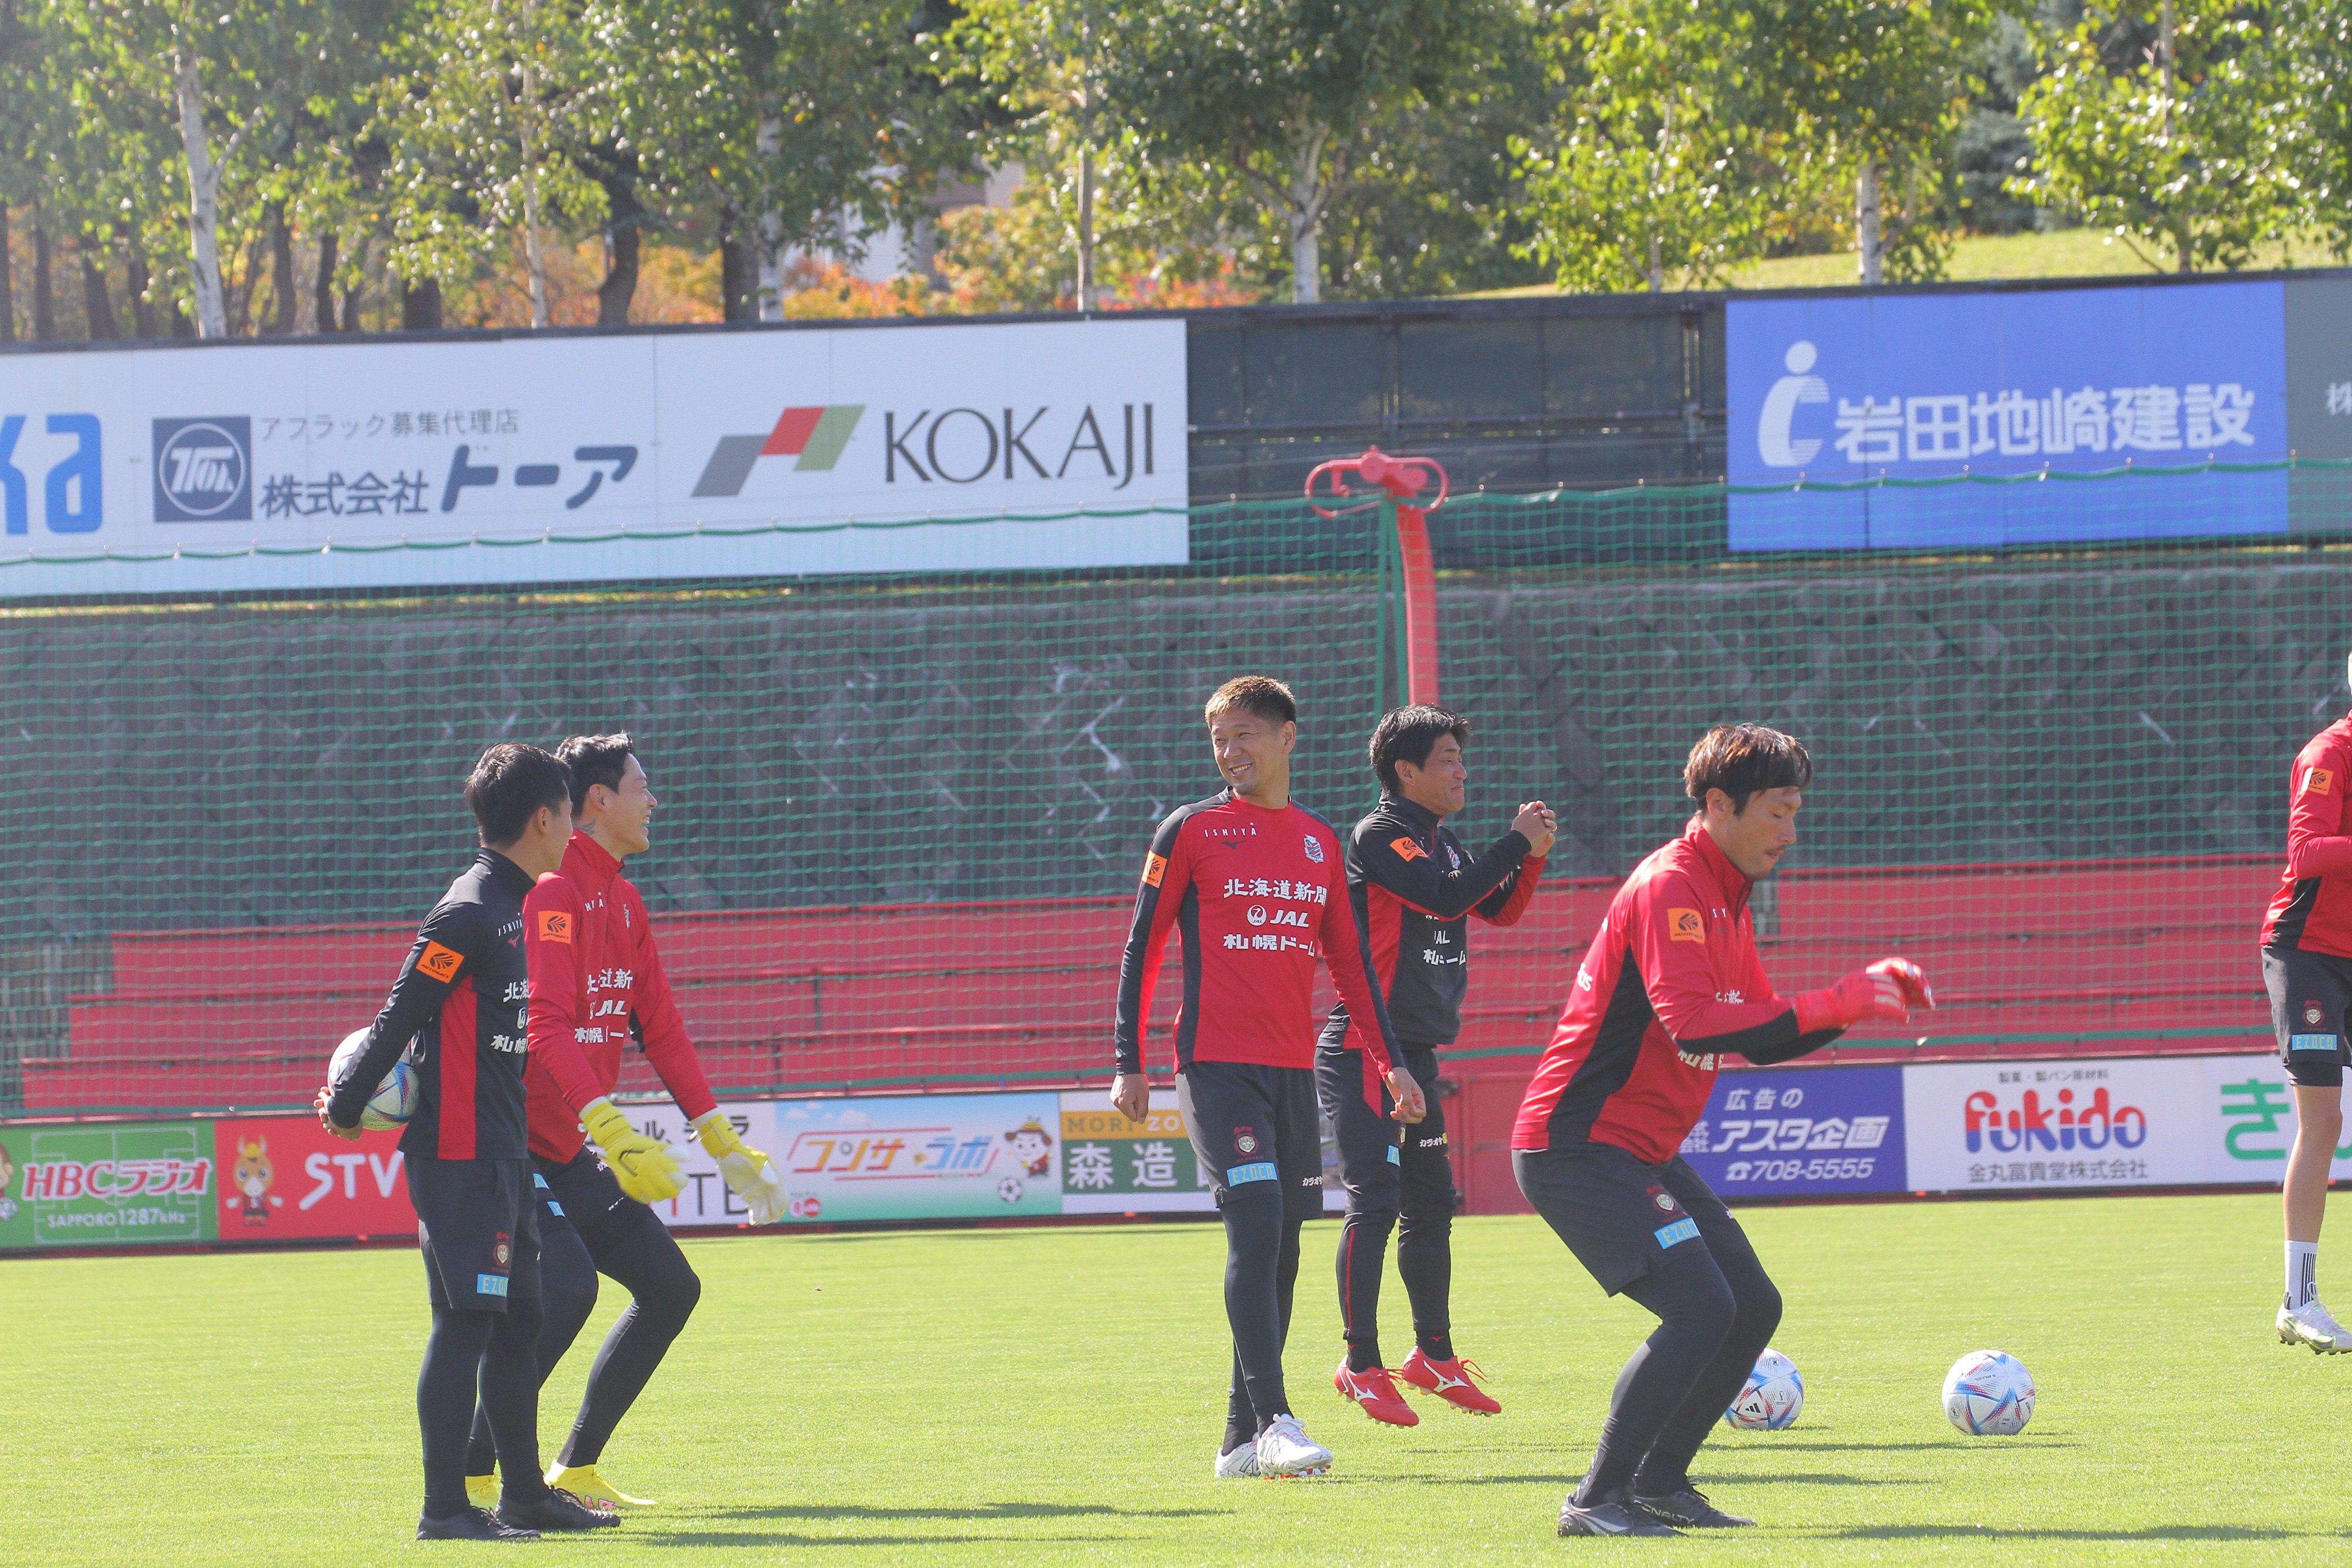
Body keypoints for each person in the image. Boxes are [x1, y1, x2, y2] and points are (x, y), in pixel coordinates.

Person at [1511, 724, 1932, 1536]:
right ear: (1717, 804)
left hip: (1636, 1149)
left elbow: (1760, 1033)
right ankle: (1595, 1499)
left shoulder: (1727, 897)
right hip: (1575, 1144)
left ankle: (1659, 1482)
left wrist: (1854, 1002)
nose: (1790, 830)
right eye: (1777, 810)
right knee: (1701, 1305)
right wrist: (1837, 1000)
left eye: (1795, 810)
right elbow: (1692, 1021)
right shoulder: (1672, 884)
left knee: (1750, 1305)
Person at [1111, 675, 1423, 1481]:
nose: (1229, 750)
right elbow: (1143, 945)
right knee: (1255, 1221)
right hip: (1215, 1065)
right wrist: (1128, 1060)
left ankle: (1238, 1440)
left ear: (1287, 736)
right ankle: (1277, 1419)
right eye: (1219, 738)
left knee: (1282, 1243)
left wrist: (1390, 1064)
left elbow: (1351, 966)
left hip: (1291, 1072)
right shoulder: (1191, 829)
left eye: (1244, 733)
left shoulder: (1319, 842)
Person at [465, 733, 786, 1510]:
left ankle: (573, 1469)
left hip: (568, 1143)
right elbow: (546, 1029)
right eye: (643, 786)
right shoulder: (551, 891)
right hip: (514, 1142)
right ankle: (475, 1468)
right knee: (567, 1289)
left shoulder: (625, 899)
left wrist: (725, 1144)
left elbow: (662, 1029)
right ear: (599, 800)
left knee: (670, 1287)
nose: (654, 801)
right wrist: (611, 1128)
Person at [316, 743, 619, 1541]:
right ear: (544, 818)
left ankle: (523, 1495)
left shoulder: (523, 905)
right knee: (465, 1324)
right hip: (458, 1154)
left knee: (520, 1322)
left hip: (505, 1149)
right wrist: (345, 1103)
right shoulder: (468, 911)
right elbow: (400, 1011)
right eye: (569, 813)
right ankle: (444, 1508)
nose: (575, 829)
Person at [1320, 705, 1553, 1426]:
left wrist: (1531, 856)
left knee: (1430, 1207)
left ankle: (1434, 1357)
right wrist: (1514, 841)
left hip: (1415, 1052)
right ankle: (1360, 1363)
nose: (1461, 770)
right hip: (1367, 1047)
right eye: (1447, 758)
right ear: (1405, 770)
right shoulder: (1380, 833)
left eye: (1459, 756)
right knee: (1375, 1202)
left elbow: (1497, 909)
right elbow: (1445, 896)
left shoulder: (1441, 841)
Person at [2263, 651, 2352, 1353]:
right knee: (2322, 1118)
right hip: (2308, 953)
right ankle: (2299, 1299)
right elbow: (2306, 851)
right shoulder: (2328, 754)